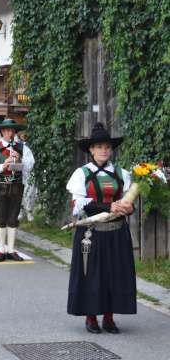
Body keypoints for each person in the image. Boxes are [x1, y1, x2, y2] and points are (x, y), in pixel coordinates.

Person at [66, 122, 135, 334]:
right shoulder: (81, 174)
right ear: (91, 150)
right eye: (99, 146)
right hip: (91, 233)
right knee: (92, 275)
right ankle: (91, 317)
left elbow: (127, 202)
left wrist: (128, 208)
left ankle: (109, 317)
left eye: (107, 146)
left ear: (111, 149)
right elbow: (77, 204)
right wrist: (108, 206)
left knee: (115, 274)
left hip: (117, 232)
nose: (104, 150)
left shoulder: (121, 174)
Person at [0, 119, 34, 262]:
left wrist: (20, 160)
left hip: (16, 186)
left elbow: (30, 166)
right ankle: (1, 249)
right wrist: (3, 165)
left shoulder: (23, 148)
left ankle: (11, 249)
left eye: (12, 130)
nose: (9, 133)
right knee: (1, 217)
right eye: (6, 130)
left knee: (13, 218)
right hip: (0, 186)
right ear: (2, 132)